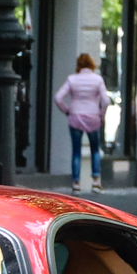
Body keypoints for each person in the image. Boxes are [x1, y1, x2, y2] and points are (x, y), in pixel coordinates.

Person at [54, 53, 109, 193]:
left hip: (75, 117)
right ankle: (96, 181)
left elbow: (58, 97)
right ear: (91, 64)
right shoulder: (98, 80)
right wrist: (101, 114)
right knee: (95, 150)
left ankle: (76, 183)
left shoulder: (72, 79)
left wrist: (67, 110)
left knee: (76, 151)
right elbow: (106, 100)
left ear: (78, 65)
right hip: (93, 117)